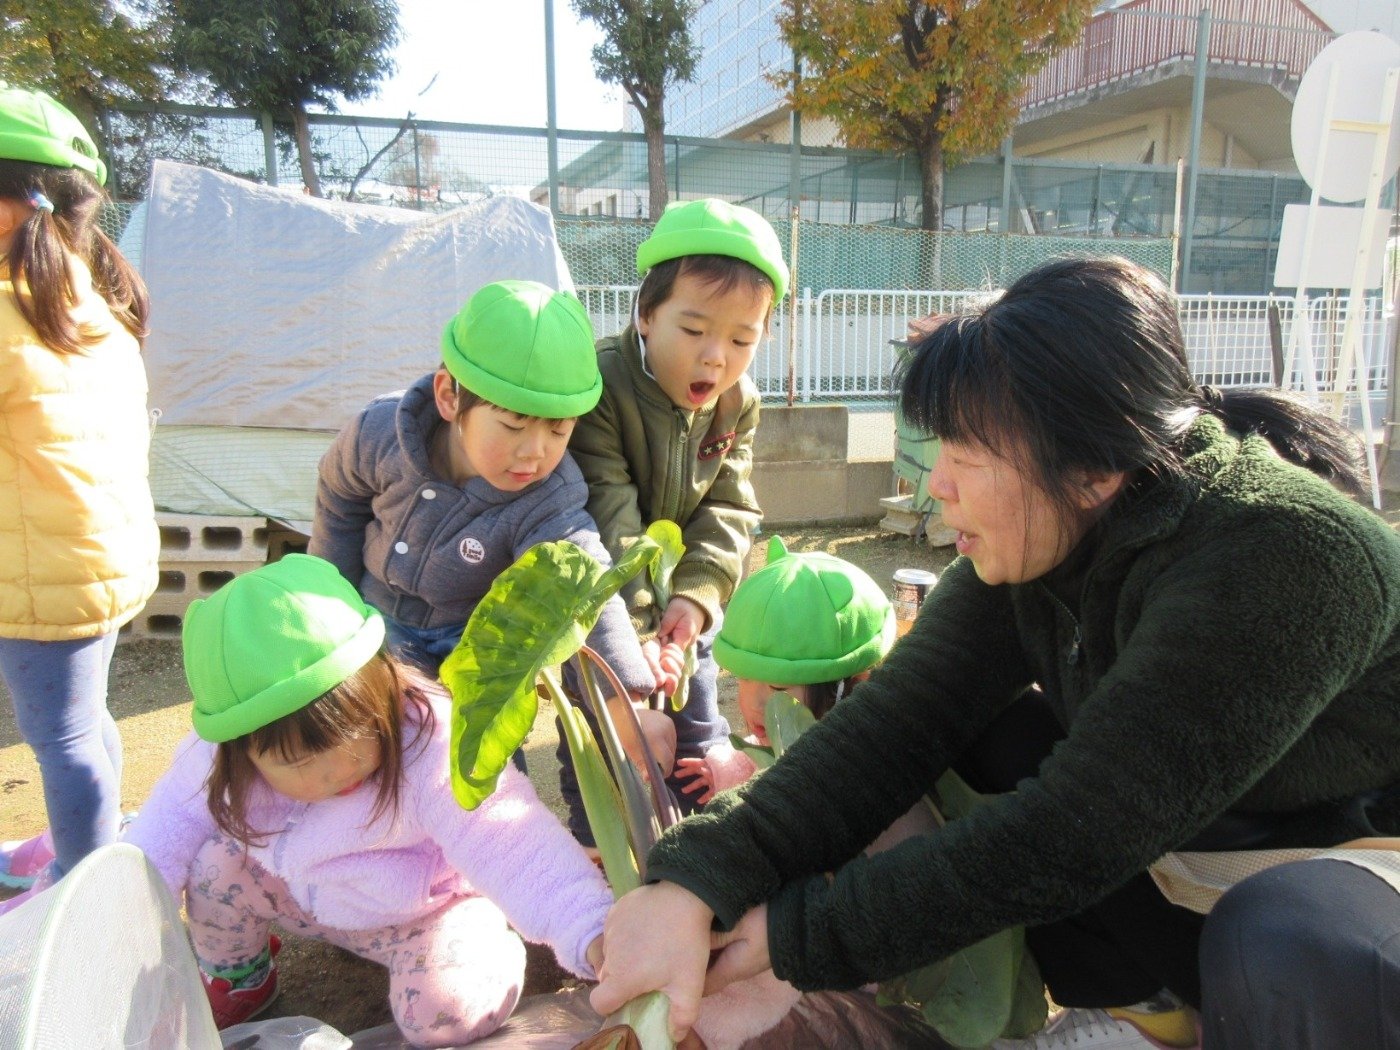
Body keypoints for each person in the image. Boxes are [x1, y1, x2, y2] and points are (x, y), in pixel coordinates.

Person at [590, 256, 1400, 1050]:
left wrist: (791, 934)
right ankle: (1148, 1009)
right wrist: (697, 878)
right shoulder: (1045, 537)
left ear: (1092, 468)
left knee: (1291, 943)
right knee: (992, 738)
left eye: (966, 454)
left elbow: (1076, 832)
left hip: (1355, 871)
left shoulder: (1282, 555)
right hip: (1210, 846)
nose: (936, 484)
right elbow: (890, 727)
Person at [123, 555, 613, 1045]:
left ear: (383, 686)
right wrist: (118, 925)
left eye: (359, 733)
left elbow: (508, 839)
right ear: (240, 750)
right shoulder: (215, 758)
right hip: (305, 897)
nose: (340, 769)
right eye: (299, 761)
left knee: (446, 1013)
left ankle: (490, 947)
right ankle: (241, 978)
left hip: (425, 912)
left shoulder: (428, 740)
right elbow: (165, 827)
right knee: (215, 867)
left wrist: (592, 930)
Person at [309, 279, 670, 784]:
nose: (535, 453)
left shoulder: (548, 496)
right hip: (376, 621)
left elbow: (584, 585)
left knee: (481, 765)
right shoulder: (380, 433)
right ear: (448, 397)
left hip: (475, 645)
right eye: (514, 426)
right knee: (383, 754)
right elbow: (339, 501)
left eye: (559, 430)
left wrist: (625, 702)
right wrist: (329, 604)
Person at [566, 197, 787, 835]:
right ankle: (596, 845)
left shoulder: (738, 402)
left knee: (697, 728)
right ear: (645, 314)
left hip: (685, 604)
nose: (716, 357)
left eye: (742, 339)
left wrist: (694, 599)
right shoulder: (600, 385)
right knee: (609, 741)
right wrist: (636, 626)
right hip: (606, 608)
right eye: (693, 331)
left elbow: (730, 505)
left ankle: (696, 836)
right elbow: (606, 508)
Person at [0, 86, 158, 913]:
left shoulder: (11, 311)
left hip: (43, 574)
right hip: (98, 559)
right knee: (84, 723)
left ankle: (84, 889)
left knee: (60, 739)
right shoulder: (91, 299)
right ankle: (99, 847)